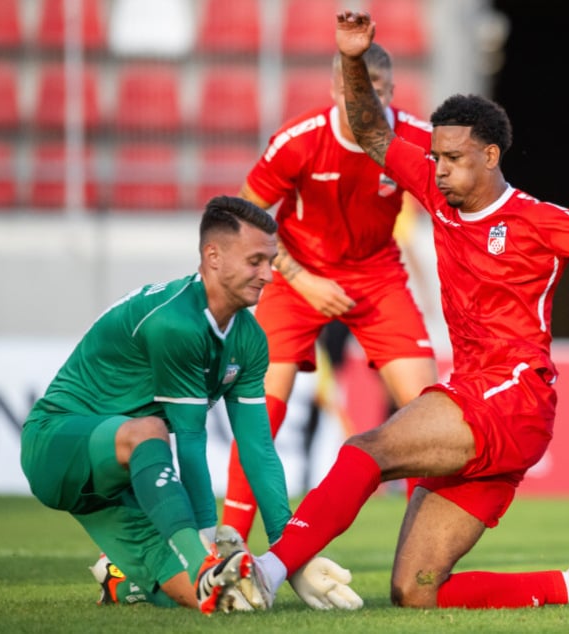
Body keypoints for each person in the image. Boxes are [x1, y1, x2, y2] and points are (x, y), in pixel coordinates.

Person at [221, 10, 569, 611]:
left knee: (367, 449)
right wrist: (354, 59)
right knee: (417, 592)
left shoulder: (535, 220)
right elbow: (370, 130)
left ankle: (266, 569)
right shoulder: (435, 190)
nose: (437, 169)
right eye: (435, 157)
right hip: (478, 399)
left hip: (513, 395)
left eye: (453, 159)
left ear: (491, 156)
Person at [20, 196, 340, 613]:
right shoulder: (178, 323)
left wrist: (289, 556)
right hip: (57, 445)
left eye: (271, 261)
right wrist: (206, 545)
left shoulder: (249, 337)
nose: (269, 276)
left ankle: (121, 580)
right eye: (255, 261)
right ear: (213, 257)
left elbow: (258, 449)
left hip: (119, 482)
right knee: (151, 431)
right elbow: (188, 443)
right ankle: (198, 559)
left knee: (235, 601)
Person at [221, 41, 439, 541]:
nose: (363, 101)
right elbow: (240, 217)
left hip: (378, 275)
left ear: (391, 92)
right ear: (333, 90)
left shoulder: (416, 138)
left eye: (375, 91)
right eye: (352, 90)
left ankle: (422, 560)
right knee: (261, 411)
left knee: (426, 413)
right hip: (299, 277)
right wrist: (301, 279)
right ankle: (228, 547)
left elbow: (462, 197)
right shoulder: (298, 141)